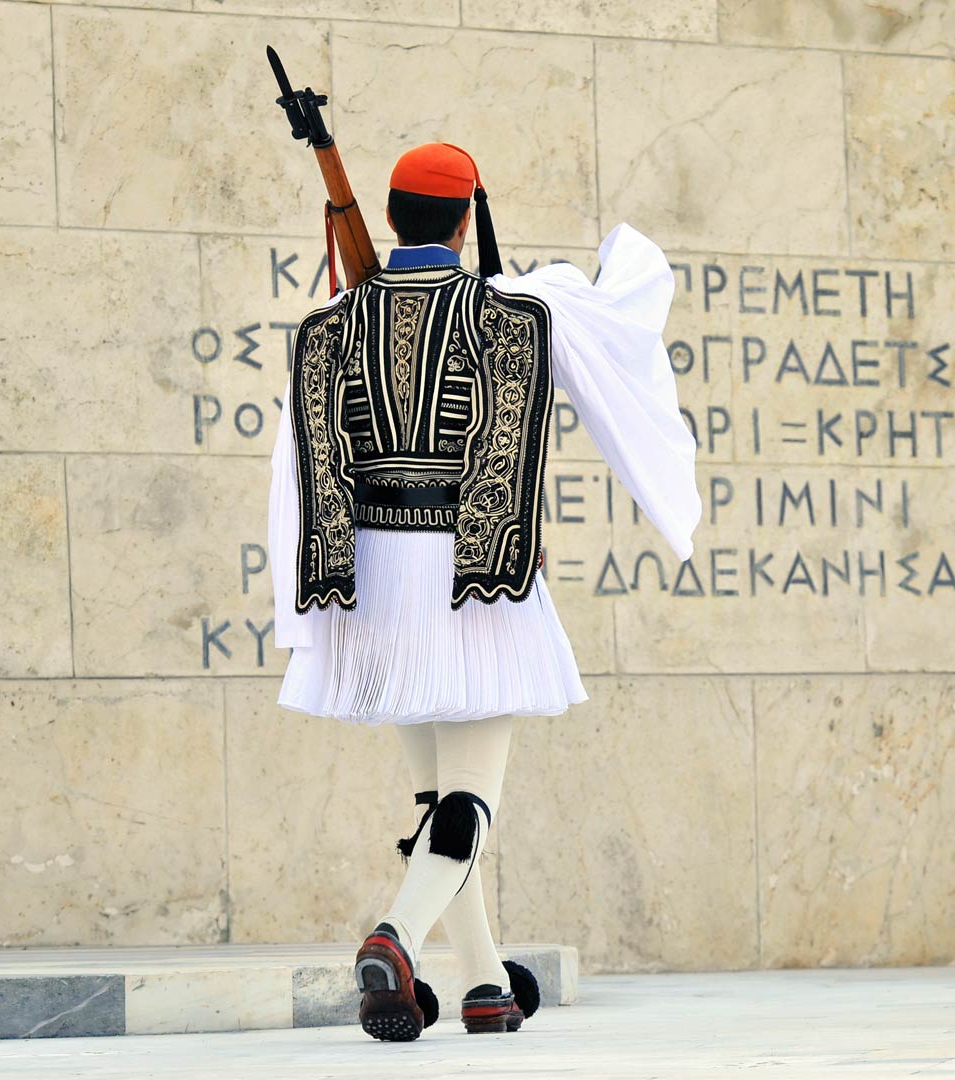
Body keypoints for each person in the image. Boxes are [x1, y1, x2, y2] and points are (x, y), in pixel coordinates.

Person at [266, 142, 699, 1040]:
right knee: (470, 798)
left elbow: (299, 473)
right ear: (465, 222)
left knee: (435, 803)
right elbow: (620, 314)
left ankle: (486, 986)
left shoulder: (330, 324)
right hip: (474, 575)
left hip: (374, 584)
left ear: (387, 219)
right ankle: (396, 935)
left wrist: (312, 602)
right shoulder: (518, 311)